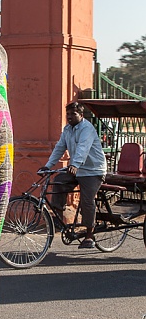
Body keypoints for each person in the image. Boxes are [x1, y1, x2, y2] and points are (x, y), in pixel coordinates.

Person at [39, 101, 108, 249]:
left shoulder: (87, 129)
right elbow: (59, 148)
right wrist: (48, 166)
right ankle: (58, 218)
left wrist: (75, 164)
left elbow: (83, 148)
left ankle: (90, 235)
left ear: (81, 115)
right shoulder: (67, 130)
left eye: (73, 114)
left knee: (87, 200)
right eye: (68, 114)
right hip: (75, 169)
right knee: (58, 181)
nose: (69, 117)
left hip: (93, 170)